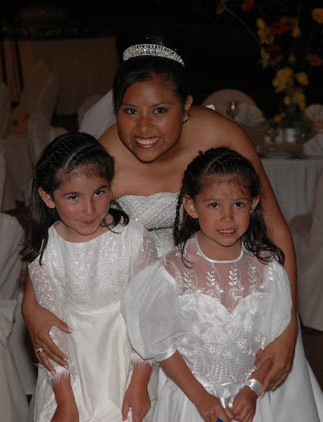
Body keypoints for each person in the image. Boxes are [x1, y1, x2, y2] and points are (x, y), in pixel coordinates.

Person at [21, 34, 323, 420]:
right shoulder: (105, 158)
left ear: (186, 107)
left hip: (228, 295)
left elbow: (278, 231)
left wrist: (286, 332)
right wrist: (32, 308)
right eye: (129, 112)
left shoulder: (223, 136)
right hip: (150, 307)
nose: (143, 127)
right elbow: (62, 239)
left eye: (160, 110)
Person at [121, 147, 298, 421]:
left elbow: (270, 340)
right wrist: (201, 399)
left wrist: (253, 388)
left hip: (248, 403)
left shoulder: (268, 270)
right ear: (192, 206)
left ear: (253, 203)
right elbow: (162, 345)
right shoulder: (172, 272)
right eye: (214, 205)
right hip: (191, 402)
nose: (227, 217)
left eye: (238, 204)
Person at [21, 132, 157, 422]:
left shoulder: (133, 239)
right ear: (48, 197)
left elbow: (149, 314)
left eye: (99, 191)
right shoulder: (46, 253)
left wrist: (139, 383)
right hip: (72, 375)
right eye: (73, 197)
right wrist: (66, 402)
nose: (90, 208)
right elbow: (51, 331)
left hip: (130, 365)